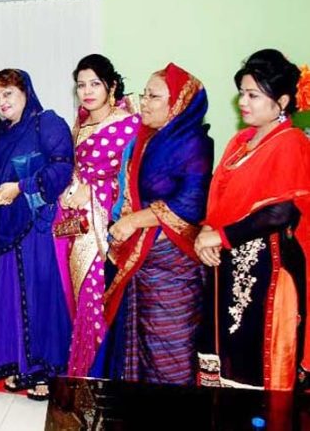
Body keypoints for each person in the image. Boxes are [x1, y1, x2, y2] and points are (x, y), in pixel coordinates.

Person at [196, 49, 310, 391]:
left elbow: (282, 211)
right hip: (226, 268)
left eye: (253, 95)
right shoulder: (240, 142)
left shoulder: (290, 142)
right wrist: (206, 234)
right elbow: (218, 199)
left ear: (283, 101)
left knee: (257, 366)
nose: (243, 102)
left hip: (268, 270)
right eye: (242, 94)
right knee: (221, 359)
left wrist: (221, 237)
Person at [0, 69, 74, 401]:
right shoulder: (2, 133)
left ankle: (46, 373)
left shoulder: (47, 123)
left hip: (37, 226)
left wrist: (21, 187)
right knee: (11, 296)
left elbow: (63, 167)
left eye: (7, 94)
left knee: (40, 297)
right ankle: (20, 367)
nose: (1, 102)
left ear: (25, 91)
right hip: (7, 224)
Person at [97, 63, 214, 386]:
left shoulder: (195, 144)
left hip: (174, 266)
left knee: (171, 350)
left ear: (177, 103)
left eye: (154, 96)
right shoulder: (145, 141)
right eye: (144, 94)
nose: (144, 102)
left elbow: (191, 202)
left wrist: (136, 220)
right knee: (139, 346)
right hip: (142, 261)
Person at [56, 55, 139, 377]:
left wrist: (92, 190)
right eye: (81, 85)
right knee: (76, 298)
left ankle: (98, 374)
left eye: (94, 84)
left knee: (96, 297)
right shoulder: (80, 123)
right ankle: (80, 370)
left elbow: (130, 178)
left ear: (112, 86)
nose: (87, 91)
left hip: (105, 227)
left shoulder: (129, 125)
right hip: (74, 223)